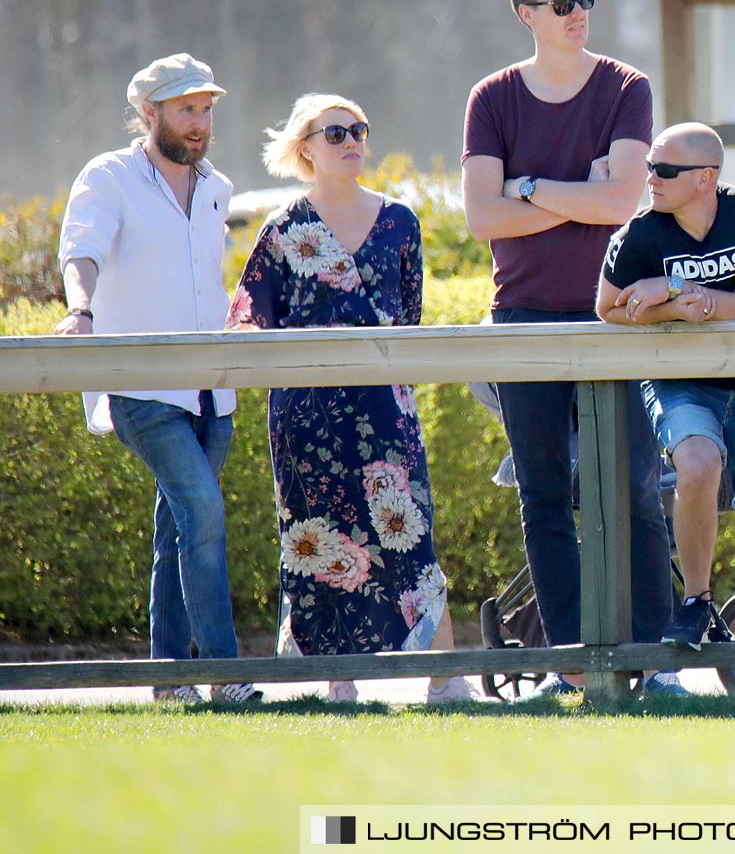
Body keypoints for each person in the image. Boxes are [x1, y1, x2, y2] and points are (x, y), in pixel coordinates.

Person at [462, 0, 676, 699]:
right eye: (560, 4)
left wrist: (526, 187)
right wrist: (572, 189)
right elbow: (483, 217)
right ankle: (572, 663)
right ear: (527, 16)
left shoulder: (626, 87)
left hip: (615, 316)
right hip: (521, 319)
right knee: (545, 495)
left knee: (636, 491)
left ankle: (649, 661)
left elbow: (622, 203)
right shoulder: (492, 98)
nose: (577, 11)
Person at [229, 95, 475, 705]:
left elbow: (410, 321)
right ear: (305, 146)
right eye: (334, 131)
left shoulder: (400, 222)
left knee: (410, 535)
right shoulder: (282, 228)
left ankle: (445, 678)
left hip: (385, 413)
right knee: (322, 542)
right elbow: (247, 319)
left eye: (359, 129)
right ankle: (338, 684)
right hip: (305, 417)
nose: (350, 140)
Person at [54, 53, 259, 705]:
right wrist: (79, 311)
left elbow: (203, 281)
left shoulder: (218, 186)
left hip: (212, 391)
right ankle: (225, 679)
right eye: (185, 110)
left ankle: (168, 681)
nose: (199, 124)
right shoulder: (108, 176)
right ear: (151, 114)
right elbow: (79, 250)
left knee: (178, 526)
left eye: (205, 110)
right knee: (201, 512)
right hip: (139, 387)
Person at [597, 123, 735, 695]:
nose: (650, 180)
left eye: (663, 170)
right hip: (682, 383)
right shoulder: (638, 234)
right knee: (696, 462)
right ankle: (696, 599)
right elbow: (607, 309)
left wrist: (686, 295)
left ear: (705, 178)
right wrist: (668, 305)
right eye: (650, 169)